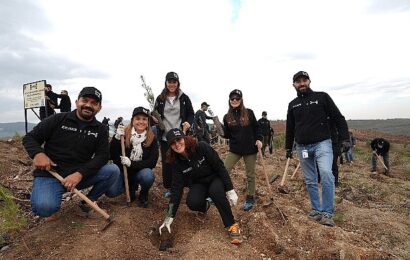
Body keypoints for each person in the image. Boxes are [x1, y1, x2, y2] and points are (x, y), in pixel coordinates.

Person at [23, 87, 121, 218]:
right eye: (85, 100)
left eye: (94, 103)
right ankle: (51, 196)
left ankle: (87, 203)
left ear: (99, 108)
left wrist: (80, 174)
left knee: (112, 170)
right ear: (76, 102)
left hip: (78, 176)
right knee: (44, 208)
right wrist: (38, 154)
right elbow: (30, 138)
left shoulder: (100, 129)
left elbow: (102, 156)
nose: (88, 105)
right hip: (51, 174)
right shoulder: (58, 119)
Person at [285, 71, 350, 227]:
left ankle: (327, 213)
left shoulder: (322, 97)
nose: (301, 83)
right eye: (298, 81)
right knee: (310, 179)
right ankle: (316, 210)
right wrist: (288, 147)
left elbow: (338, 117)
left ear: (309, 81)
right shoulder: (293, 104)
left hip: (323, 144)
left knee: (327, 174)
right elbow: (290, 128)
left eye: (304, 80)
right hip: (302, 147)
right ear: (293, 84)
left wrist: (345, 138)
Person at [159, 129, 241, 244]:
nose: (177, 144)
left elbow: (220, 167)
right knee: (192, 202)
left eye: (179, 140)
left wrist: (230, 189)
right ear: (170, 147)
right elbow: (176, 190)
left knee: (216, 192)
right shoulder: (176, 162)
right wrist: (168, 218)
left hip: (214, 178)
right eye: (173, 143)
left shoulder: (201, 147)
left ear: (184, 139)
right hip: (198, 183)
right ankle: (205, 205)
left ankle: (232, 225)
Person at [153, 72, 194, 198]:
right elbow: (155, 114)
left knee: (185, 159)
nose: (172, 84)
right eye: (169, 82)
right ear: (166, 83)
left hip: (181, 135)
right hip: (166, 136)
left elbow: (191, 114)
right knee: (168, 162)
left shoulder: (184, 98)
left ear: (178, 83)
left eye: (174, 82)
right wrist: (154, 119)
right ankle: (170, 187)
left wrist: (188, 122)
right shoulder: (160, 99)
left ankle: (189, 185)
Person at [222, 89, 263, 211]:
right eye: (232, 98)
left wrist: (259, 139)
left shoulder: (249, 113)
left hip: (250, 149)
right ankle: (220, 193)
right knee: (224, 170)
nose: (235, 100)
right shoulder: (227, 117)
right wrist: (221, 132)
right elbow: (227, 135)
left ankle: (250, 197)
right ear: (229, 100)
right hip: (235, 149)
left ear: (241, 100)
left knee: (250, 174)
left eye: (237, 98)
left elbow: (257, 128)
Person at [109, 107, 158, 207]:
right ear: (132, 120)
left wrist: (131, 163)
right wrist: (116, 138)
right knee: (111, 192)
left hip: (139, 172)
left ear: (148, 121)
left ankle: (143, 194)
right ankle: (130, 187)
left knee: (148, 175)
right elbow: (112, 154)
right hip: (123, 172)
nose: (141, 121)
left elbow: (152, 162)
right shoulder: (124, 135)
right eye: (138, 118)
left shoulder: (152, 138)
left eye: (144, 119)